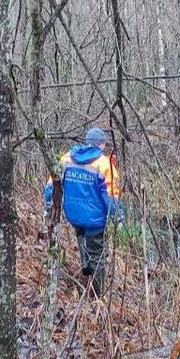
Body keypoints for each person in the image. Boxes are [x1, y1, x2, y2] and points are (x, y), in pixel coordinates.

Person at [43, 127, 121, 296]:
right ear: (101, 144)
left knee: (84, 247)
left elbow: (51, 185)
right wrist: (118, 217)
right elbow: (111, 197)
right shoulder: (104, 165)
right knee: (97, 256)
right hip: (95, 220)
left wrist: (48, 204)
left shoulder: (66, 159)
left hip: (74, 216)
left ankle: (86, 275)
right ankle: (96, 296)